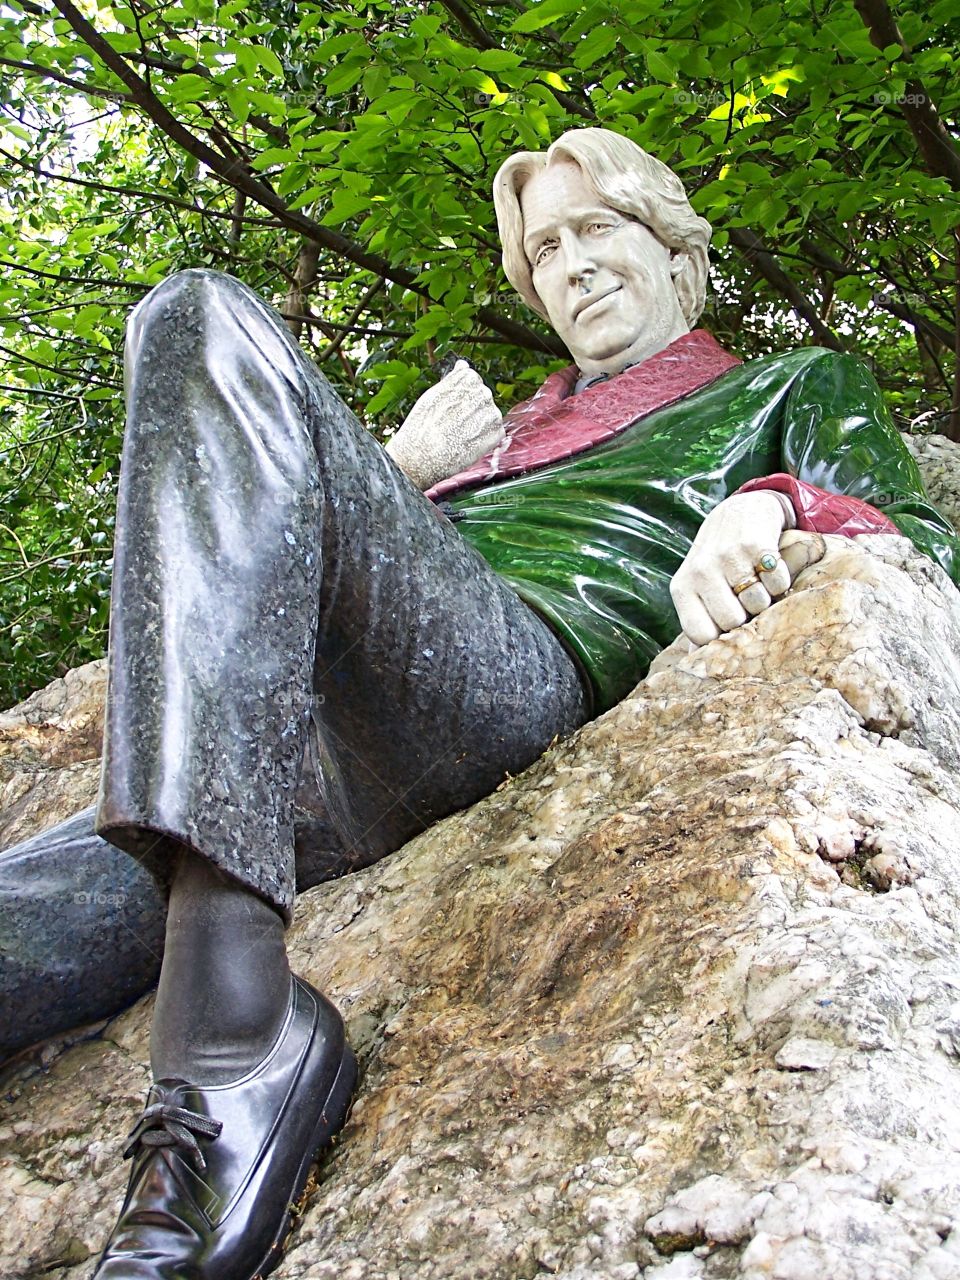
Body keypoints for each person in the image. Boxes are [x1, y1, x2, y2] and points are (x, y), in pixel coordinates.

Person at [1, 127, 956, 1280]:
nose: (573, 264)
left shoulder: (788, 382)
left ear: (679, 255)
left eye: (597, 228)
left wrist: (772, 507)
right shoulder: (493, 438)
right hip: (283, 745)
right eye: (545, 248)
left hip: (513, 669)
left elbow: (927, 542)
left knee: (197, 312)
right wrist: (398, 469)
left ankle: (234, 1036)